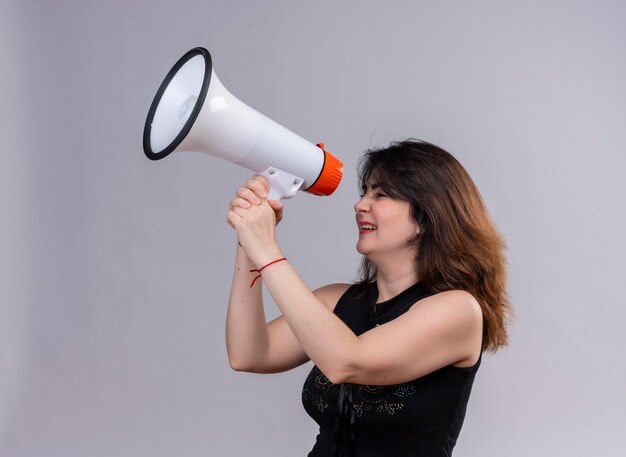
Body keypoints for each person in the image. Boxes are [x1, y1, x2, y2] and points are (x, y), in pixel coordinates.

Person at [225, 139, 511, 457]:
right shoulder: (336, 302)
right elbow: (249, 353)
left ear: (424, 218)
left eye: (381, 194)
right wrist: (248, 240)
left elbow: (345, 360)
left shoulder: (458, 310)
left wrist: (266, 249)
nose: (360, 205)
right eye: (365, 192)